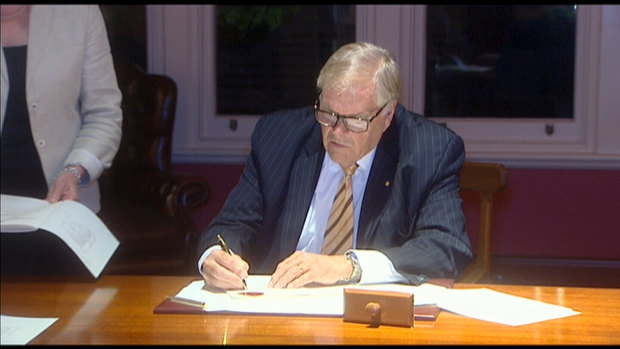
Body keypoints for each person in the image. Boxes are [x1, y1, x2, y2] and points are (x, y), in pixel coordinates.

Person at [197, 42, 472, 290]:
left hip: (369, 318)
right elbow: (230, 225)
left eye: (354, 120)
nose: (337, 132)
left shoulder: (430, 151)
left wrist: (347, 266)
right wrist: (214, 257)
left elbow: (446, 247)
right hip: (281, 310)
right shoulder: (277, 137)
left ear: (388, 115)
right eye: (328, 114)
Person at [1, 5, 122, 274]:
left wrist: (75, 171)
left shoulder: (79, 12)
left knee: (74, 314)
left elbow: (104, 114)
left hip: (63, 211)